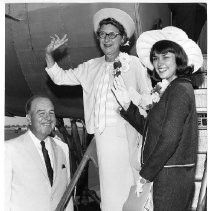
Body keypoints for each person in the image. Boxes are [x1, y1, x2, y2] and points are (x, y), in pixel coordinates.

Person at [44, 8, 152, 211]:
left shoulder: (135, 65)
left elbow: (148, 102)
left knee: (131, 191)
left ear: (123, 39)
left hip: (128, 138)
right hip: (103, 140)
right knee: (110, 195)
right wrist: (49, 55)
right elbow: (60, 77)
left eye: (112, 34)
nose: (106, 39)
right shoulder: (91, 67)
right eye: (102, 34)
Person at [111, 26, 203, 211]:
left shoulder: (178, 90)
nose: (159, 62)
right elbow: (152, 129)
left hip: (170, 178)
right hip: (169, 175)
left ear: (179, 59)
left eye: (165, 56)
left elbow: (169, 138)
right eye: (155, 57)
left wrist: (146, 174)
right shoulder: (176, 88)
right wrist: (128, 106)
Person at [5, 95, 74, 211]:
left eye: (51, 112)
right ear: (29, 119)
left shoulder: (63, 148)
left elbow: (67, 195)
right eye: (41, 113)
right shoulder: (8, 149)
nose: (48, 118)